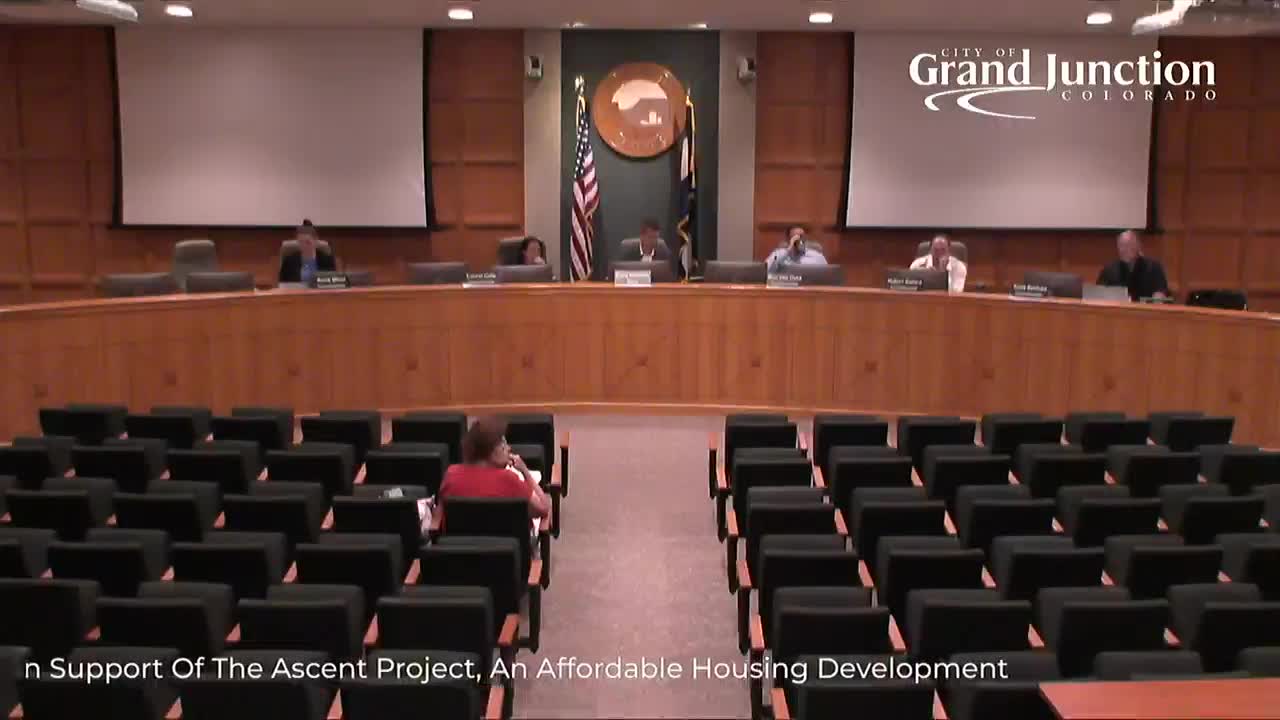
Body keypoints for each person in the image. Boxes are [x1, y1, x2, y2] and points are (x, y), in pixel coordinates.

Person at [437, 416, 551, 522]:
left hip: (462, 538)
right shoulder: (509, 480)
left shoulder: (451, 475)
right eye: (503, 445)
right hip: (507, 537)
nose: (509, 448)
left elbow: (439, 517)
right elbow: (543, 508)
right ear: (491, 451)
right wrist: (525, 472)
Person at [1097, 230, 1169, 301]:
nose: (1124, 249)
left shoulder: (1153, 267)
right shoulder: (1109, 270)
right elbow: (1098, 294)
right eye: (1121, 245)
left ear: (1139, 246)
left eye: (1129, 245)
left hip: (1144, 308)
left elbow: (1161, 292)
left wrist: (1158, 297)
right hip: (1118, 307)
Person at [278, 219, 336, 284]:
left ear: (316, 241)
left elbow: (332, 284)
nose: (304, 246)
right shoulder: (289, 262)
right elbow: (282, 285)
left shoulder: (327, 261)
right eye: (301, 242)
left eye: (307, 242)